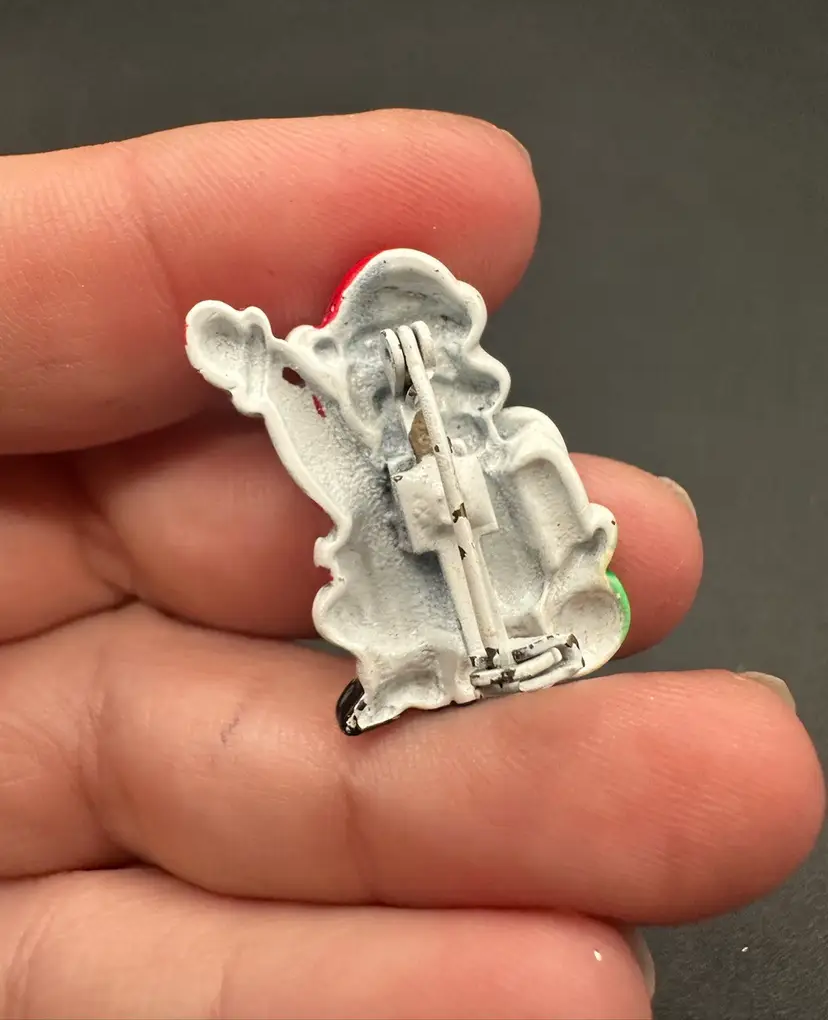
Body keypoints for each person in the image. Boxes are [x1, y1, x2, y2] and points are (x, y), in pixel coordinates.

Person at [0, 109, 821, 1020]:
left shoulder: (513, 447)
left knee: (529, 484)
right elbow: (332, 458)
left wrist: (563, 564)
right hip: (408, 584)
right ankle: (414, 667)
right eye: (382, 360)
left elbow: (554, 519)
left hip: (527, 593)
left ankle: (512, 637)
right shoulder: (365, 438)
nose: (407, 383)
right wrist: (267, 375)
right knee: (382, 549)